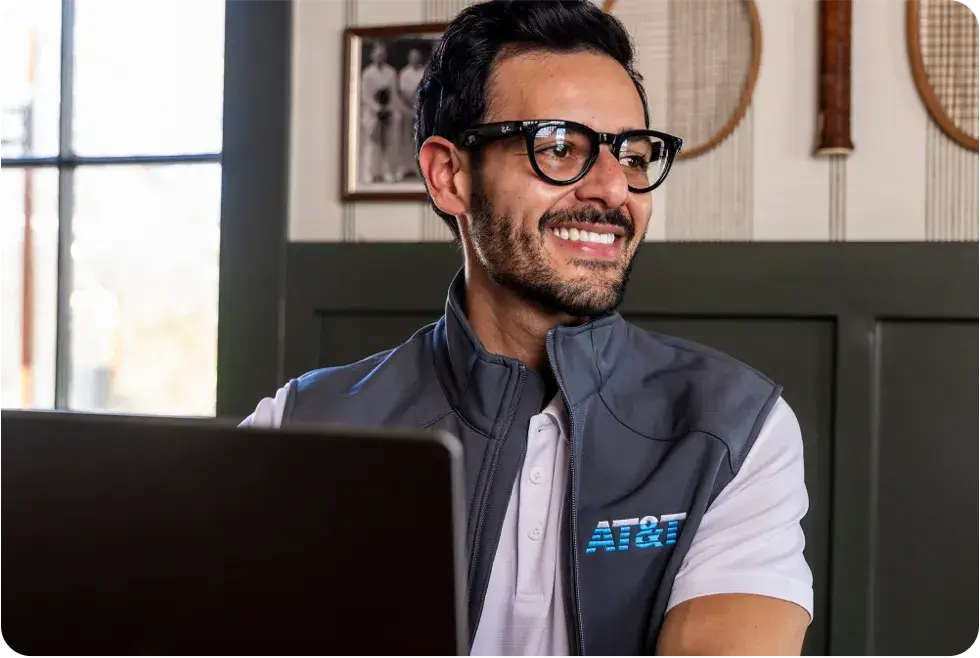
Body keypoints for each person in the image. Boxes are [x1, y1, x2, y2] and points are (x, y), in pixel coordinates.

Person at [244, 0, 813, 656]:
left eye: (630, 154)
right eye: (558, 147)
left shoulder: (738, 429)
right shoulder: (297, 428)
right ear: (449, 175)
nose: (612, 188)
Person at [359, 41, 398, 184]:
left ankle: (387, 172)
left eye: (383, 55)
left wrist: (388, 109)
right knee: (372, 143)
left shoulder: (391, 72)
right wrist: (377, 109)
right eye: (378, 54)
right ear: (372, 56)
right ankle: (370, 173)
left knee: (387, 143)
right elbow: (365, 95)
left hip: (388, 112)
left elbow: (393, 93)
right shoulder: (367, 73)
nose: (380, 57)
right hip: (372, 114)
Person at [395, 47, 427, 180]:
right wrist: (411, 105)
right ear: (409, 58)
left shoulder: (425, 71)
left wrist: (420, 104)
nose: (415, 59)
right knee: (406, 139)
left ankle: (419, 169)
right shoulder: (404, 73)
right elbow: (402, 93)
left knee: (420, 138)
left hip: (422, 109)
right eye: (413, 57)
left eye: (417, 56)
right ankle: (405, 168)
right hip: (407, 110)